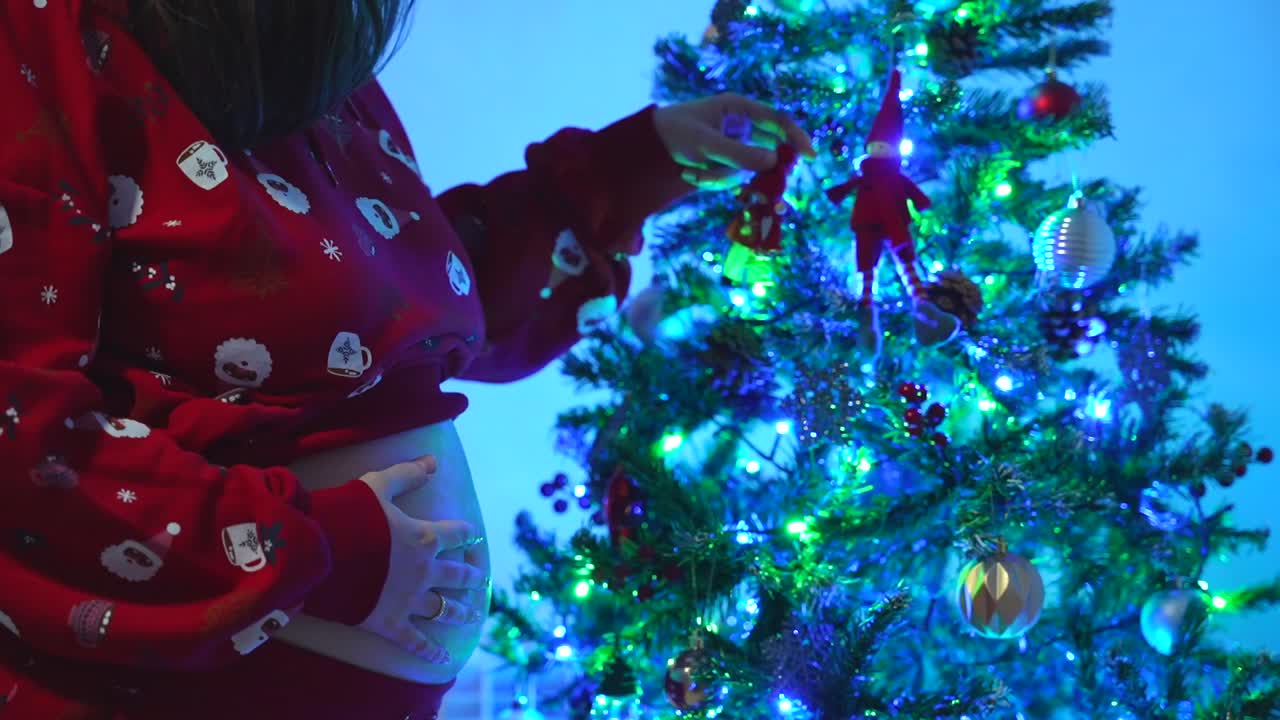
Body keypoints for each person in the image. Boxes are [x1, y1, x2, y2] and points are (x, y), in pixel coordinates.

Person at [0, 1, 814, 718]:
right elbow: (19, 437)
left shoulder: (305, 53)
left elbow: (386, 308)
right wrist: (327, 555)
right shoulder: (38, 43)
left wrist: (633, 166)